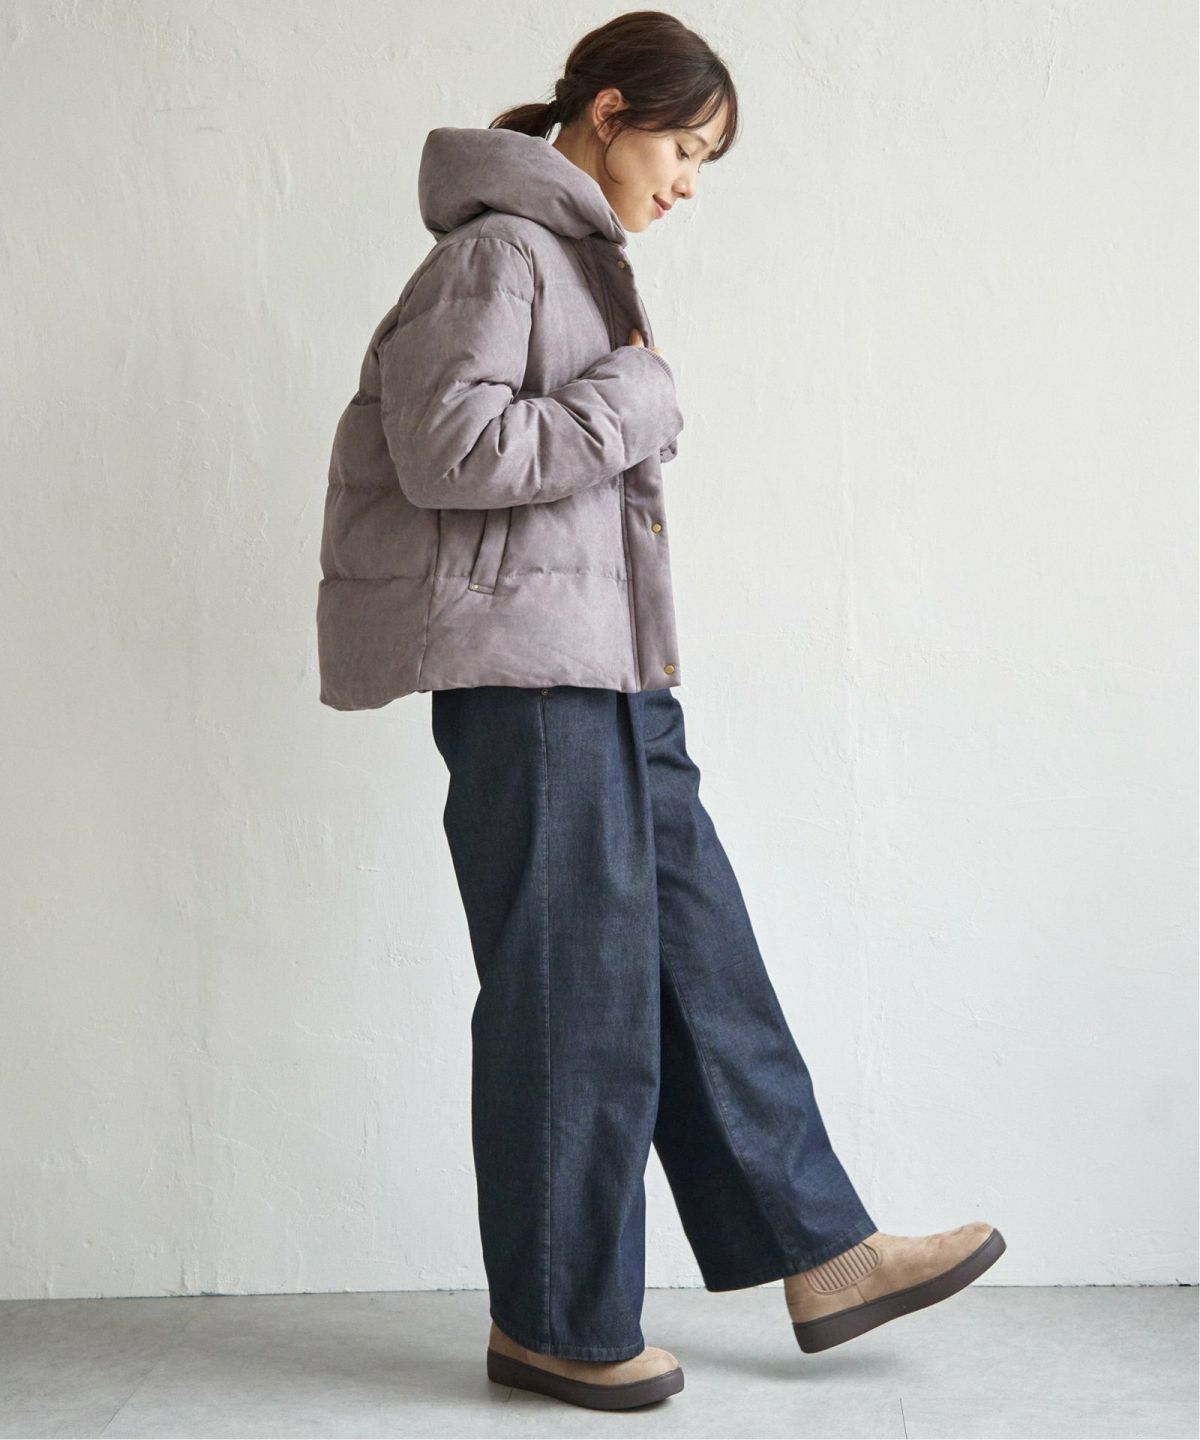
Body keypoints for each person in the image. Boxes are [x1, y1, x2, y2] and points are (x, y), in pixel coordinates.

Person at [317, 9, 1006, 1415]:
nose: (689, 182)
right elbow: (446, 449)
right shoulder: (498, 253)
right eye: (685, 148)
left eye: (705, 161)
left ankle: (822, 1249)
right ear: (610, 114)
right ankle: (557, 1322)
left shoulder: (576, 258)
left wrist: (623, 400)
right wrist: (634, 400)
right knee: (571, 995)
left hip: (613, 670)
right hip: (530, 676)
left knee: (700, 954)